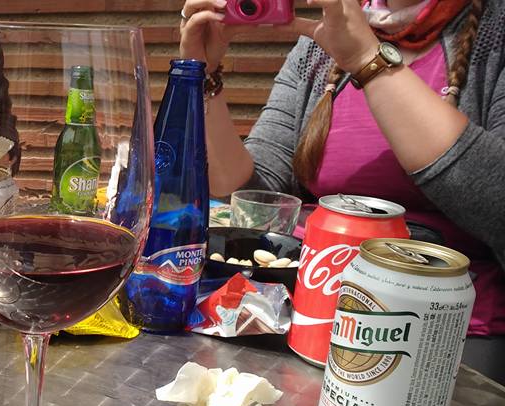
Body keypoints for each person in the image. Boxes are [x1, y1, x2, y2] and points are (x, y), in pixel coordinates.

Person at [180, 0, 505, 379]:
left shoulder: (493, 29)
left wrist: (368, 60)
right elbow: (249, 189)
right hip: (304, 308)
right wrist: (203, 75)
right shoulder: (319, 44)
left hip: (447, 333)